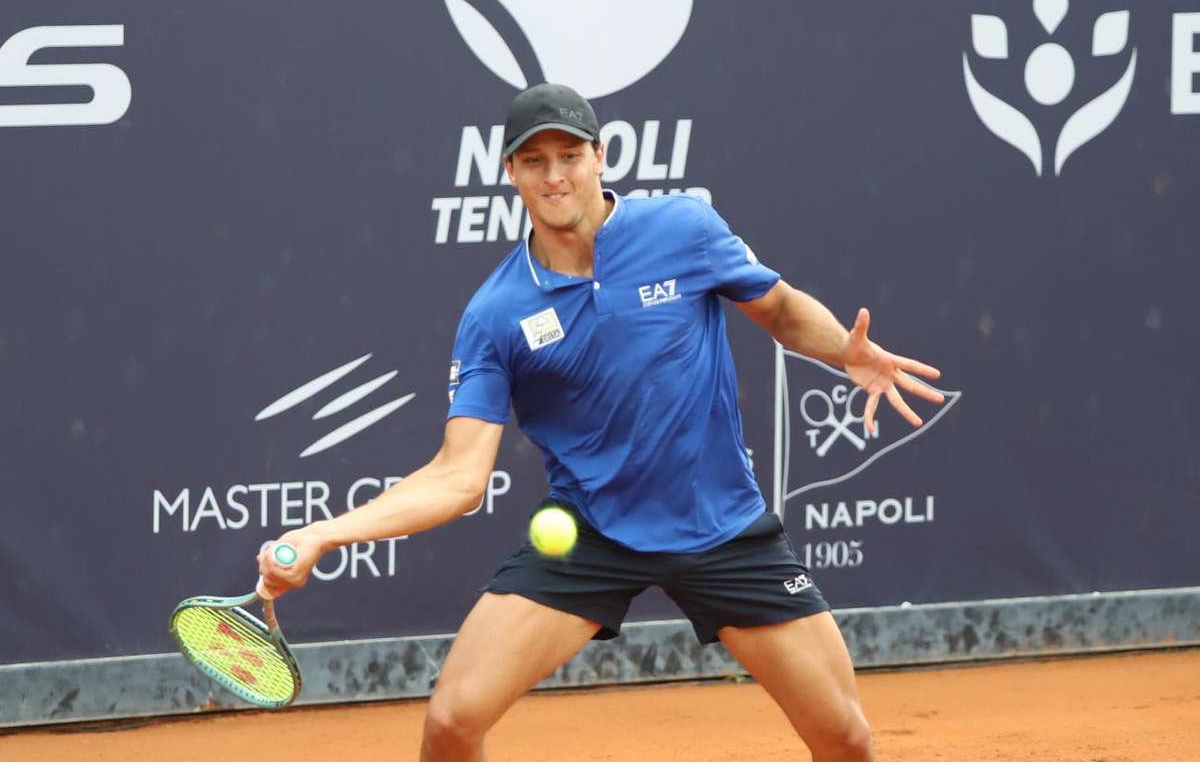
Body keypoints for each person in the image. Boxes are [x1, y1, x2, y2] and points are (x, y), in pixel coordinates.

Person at [259, 83, 944, 761]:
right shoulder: (496, 314)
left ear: (601, 156)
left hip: (721, 524)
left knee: (846, 736)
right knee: (451, 722)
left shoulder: (684, 229)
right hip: (589, 535)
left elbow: (782, 310)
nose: (555, 175)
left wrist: (841, 351)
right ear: (510, 172)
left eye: (570, 155)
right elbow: (458, 476)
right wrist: (326, 532)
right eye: (534, 161)